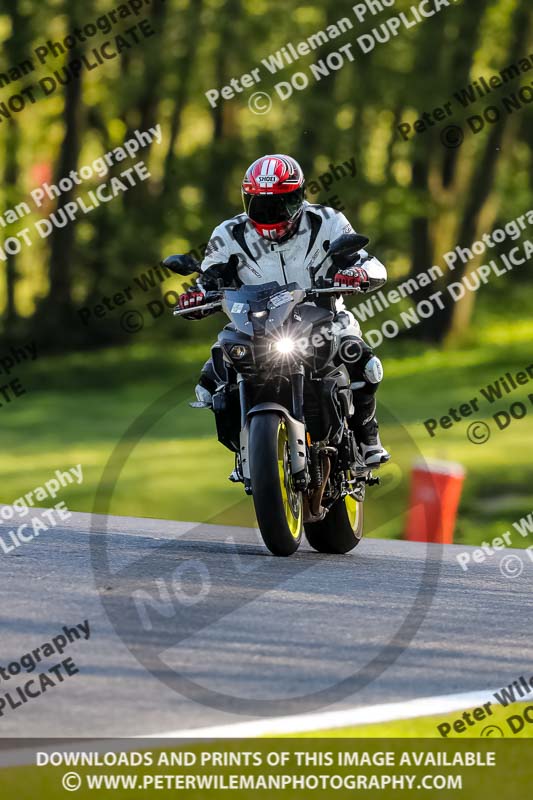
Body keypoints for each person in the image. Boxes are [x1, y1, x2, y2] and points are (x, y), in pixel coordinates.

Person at [178, 154, 390, 467]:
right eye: (261, 205)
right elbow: (207, 279)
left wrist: (360, 273)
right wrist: (194, 297)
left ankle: (366, 436)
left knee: (363, 360)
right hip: (253, 324)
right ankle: (245, 447)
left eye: (283, 203)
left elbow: (366, 260)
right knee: (211, 379)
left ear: (300, 197)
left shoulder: (326, 221)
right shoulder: (228, 233)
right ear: (247, 201)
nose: (273, 213)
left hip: (322, 317)